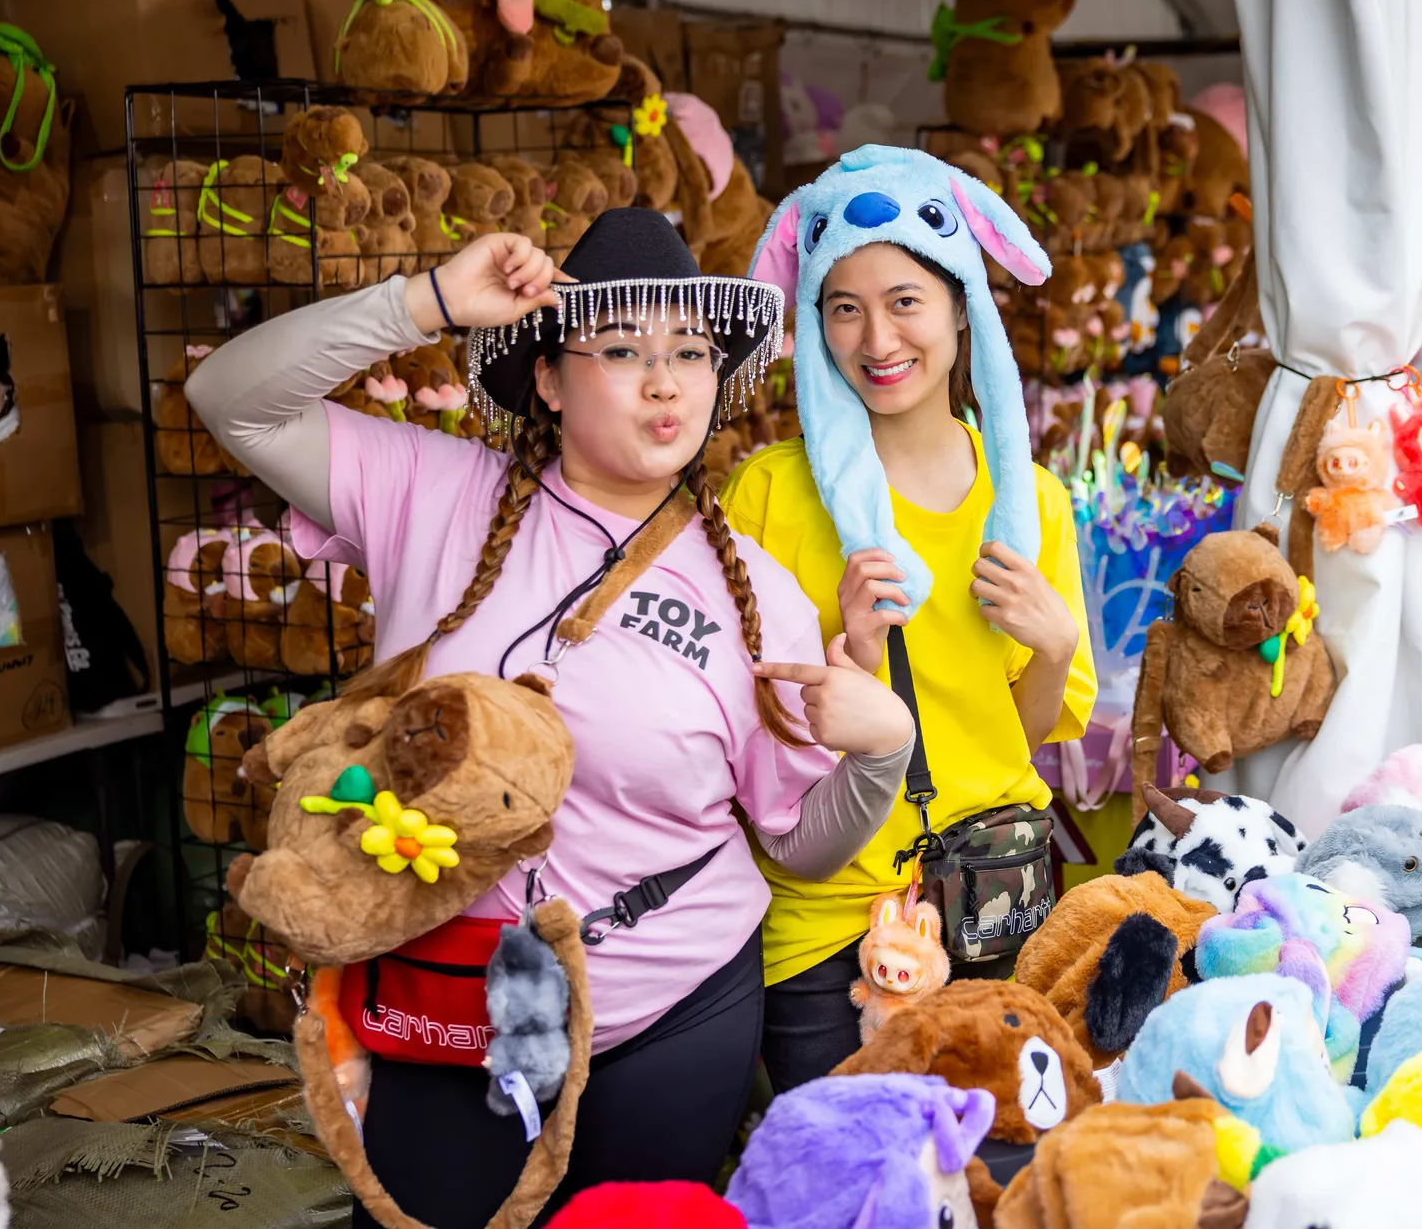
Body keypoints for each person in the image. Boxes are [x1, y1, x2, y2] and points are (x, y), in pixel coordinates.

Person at [186, 208, 917, 1226]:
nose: (666, 382)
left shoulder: (761, 594)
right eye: (620, 349)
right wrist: (427, 302)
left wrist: (881, 748)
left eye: (692, 353)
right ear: (546, 376)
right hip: (452, 997)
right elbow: (227, 397)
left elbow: (802, 849)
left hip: (673, 1009)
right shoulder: (432, 494)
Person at [724, 145, 1097, 1092]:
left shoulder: (1032, 501)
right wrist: (850, 651)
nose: (877, 338)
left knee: (992, 1169)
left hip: (993, 906)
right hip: (827, 926)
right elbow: (735, 732)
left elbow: (1022, 728)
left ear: (961, 306)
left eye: (904, 301)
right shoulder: (768, 493)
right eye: (843, 308)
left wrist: (1052, 643)